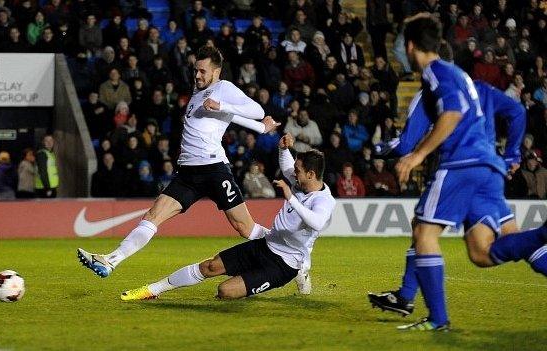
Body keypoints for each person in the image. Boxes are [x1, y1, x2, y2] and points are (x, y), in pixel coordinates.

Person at [368, 14, 547, 332]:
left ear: (410, 46)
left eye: (401, 46)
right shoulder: (467, 80)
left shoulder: (435, 72)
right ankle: (543, 235)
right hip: (488, 168)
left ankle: (437, 320)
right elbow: (512, 112)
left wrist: (415, 156)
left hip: (461, 165)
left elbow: (451, 113)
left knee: (424, 232)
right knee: (483, 252)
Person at [77, 46, 281, 278]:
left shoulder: (223, 88)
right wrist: (260, 128)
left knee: (246, 228)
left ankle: (290, 252)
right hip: (187, 174)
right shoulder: (197, 93)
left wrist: (229, 108)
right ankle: (110, 261)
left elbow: (256, 109)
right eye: (195, 70)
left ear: (216, 71)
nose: (197, 75)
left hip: (214, 169)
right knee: (153, 216)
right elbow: (228, 117)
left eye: (202, 71)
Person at [119, 134, 334, 300]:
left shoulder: (323, 201)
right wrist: (283, 147)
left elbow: (317, 222)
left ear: (311, 175)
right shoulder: (300, 181)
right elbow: (287, 164)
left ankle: (292, 273)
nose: (293, 173)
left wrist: (291, 198)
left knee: (225, 291)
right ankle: (152, 290)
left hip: (283, 264)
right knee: (209, 266)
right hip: (265, 244)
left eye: (298, 171)